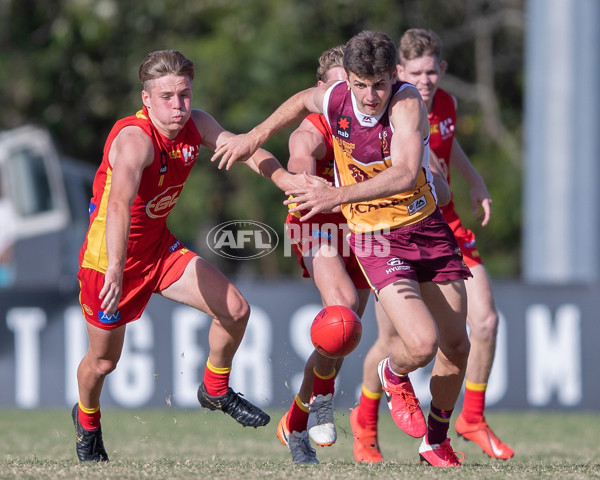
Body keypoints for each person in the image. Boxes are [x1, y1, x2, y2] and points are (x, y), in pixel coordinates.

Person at [212, 31, 472, 468]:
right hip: (344, 226)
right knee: (344, 318)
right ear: (339, 82)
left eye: (378, 85)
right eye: (356, 85)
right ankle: (320, 404)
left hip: (398, 221)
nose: (368, 97)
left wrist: (340, 192)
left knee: (457, 345)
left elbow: (411, 172)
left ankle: (434, 440)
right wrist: (257, 141)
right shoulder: (330, 107)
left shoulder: (405, 105)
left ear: (393, 77)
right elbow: (299, 145)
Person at [73, 49, 299, 462]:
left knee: (235, 309)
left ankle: (214, 388)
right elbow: (119, 205)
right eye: (167, 97)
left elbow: (243, 147)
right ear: (146, 99)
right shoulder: (135, 141)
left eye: (184, 94)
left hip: (158, 249)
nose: (178, 106)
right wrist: (117, 269)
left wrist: (285, 180)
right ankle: (87, 421)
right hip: (109, 260)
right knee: (103, 363)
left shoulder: (197, 124)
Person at [349, 28, 514, 463]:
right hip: (393, 229)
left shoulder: (445, 104)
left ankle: (465, 421)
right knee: (394, 342)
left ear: (442, 69)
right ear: (400, 72)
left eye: (431, 71)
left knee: (482, 325)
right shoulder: (392, 105)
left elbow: (447, 139)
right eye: (415, 72)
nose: (424, 80)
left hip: (446, 224)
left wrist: (474, 180)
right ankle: (365, 425)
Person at [275, 46, 372, 465]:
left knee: (342, 335)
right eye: (335, 87)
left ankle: (295, 420)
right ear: (320, 90)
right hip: (317, 223)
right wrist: (302, 180)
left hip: (367, 227)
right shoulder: (315, 124)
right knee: (344, 309)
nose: (343, 97)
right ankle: (324, 401)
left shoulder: (373, 125)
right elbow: (301, 149)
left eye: (348, 87)